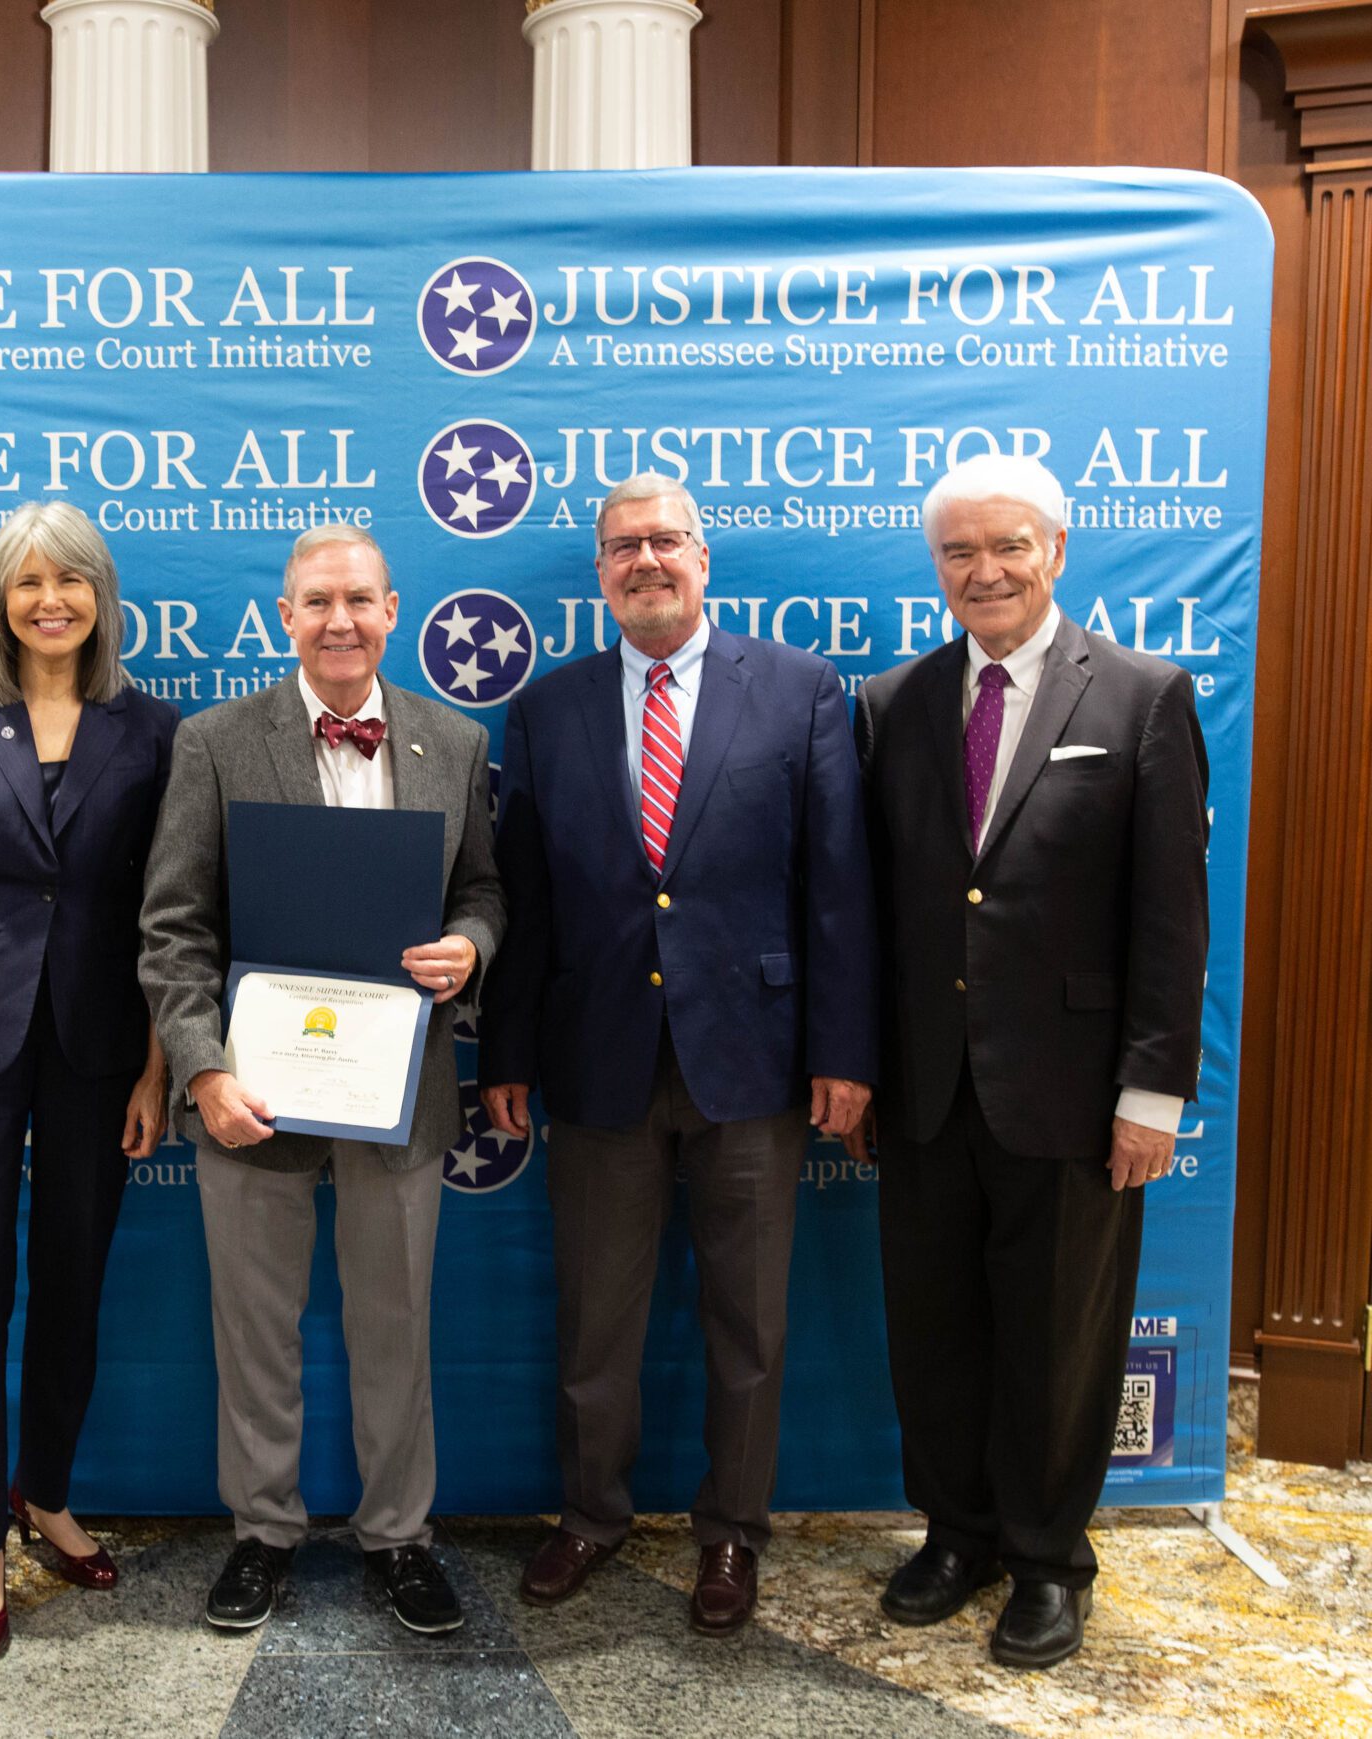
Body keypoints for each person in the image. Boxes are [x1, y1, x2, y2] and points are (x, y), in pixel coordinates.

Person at [478, 472, 876, 1636]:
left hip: (755, 1061)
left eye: (665, 540)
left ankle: (732, 1531)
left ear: (704, 556)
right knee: (597, 1316)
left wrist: (844, 1051)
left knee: (747, 1321)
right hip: (597, 1056)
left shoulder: (800, 689)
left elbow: (838, 889)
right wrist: (508, 1047)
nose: (644, 560)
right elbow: (527, 898)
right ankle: (590, 1513)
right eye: (622, 546)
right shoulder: (548, 708)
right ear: (600, 571)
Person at [851, 452, 1209, 1668]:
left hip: (1074, 1089)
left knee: (1060, 1337)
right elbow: (874, 904)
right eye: (959, 551)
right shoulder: (893, 701)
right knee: (934, 1324)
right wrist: (861, 1066)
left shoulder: (1143, 695)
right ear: (936, 565)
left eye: (1008, 545)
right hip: (924, 1084)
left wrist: (1152, 1091)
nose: (985, 570)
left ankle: (1050, 1557)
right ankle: (956, 1533)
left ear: (1056, 549)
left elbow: (1172, 916)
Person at [138, 524, 503, 1636]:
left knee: (396, 1324)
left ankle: (401, 1536)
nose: (339, 620)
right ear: (284, 616)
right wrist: (202, 1070)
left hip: (400, 1089)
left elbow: (484, 888)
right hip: (252, 1093)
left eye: (358, 599)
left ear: (393, 609)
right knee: (256, 1330)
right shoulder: (214, 741)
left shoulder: (456, 739)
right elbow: (172, 925)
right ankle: (262, 1531)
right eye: (316, 601)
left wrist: (471, 945)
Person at [0, 502, 178, 1663]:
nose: (50, 600)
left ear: (102, 597)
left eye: (71, 580)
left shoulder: (150, 727)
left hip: (101, 1048)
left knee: (72, 1282)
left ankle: (44, 1491)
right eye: (27, 582)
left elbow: (169, 911)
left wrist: (156, 1065)